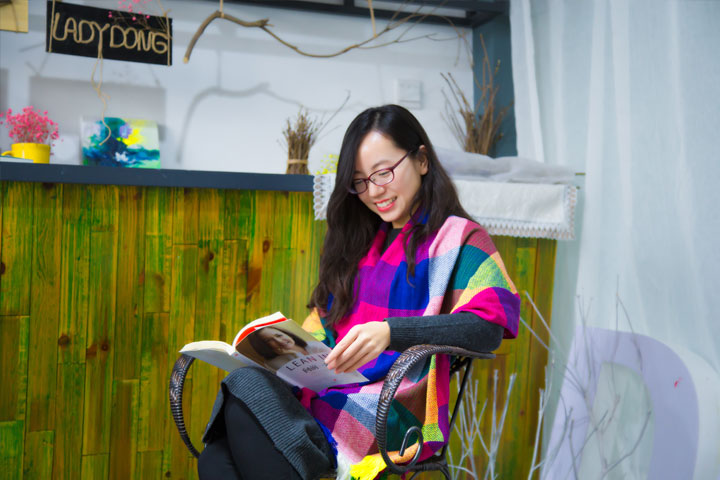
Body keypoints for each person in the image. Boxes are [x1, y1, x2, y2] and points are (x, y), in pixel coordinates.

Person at [198, 104, 520, 480]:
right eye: (360, 181)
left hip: (389, 409)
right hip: (327, 395)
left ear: (421, 160)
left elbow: (487, 328)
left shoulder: (459, 238)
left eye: (383, 173)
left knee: (240, 399)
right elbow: (321, 328)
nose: (374, 191)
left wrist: (390, 332)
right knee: (217, 451)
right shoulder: (360, 243)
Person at [248, 326, 327, 370]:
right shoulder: (273, 363)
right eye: (269, 340)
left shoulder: (314, 345)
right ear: (263, 345)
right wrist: (294, 354)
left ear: (287, 334)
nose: (279, 341)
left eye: (279, 335)